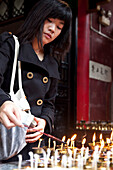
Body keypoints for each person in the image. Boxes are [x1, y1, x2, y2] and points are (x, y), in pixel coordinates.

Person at [0, 0, 72, 160]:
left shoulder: (52, 63)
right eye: (50, 21)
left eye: (59, 27)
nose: (53, 29)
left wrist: (45, 121)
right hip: (7, 134)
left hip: (34, 142)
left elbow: (49, 103)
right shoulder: (11, 45)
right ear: (39, 16)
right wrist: (3, 102)